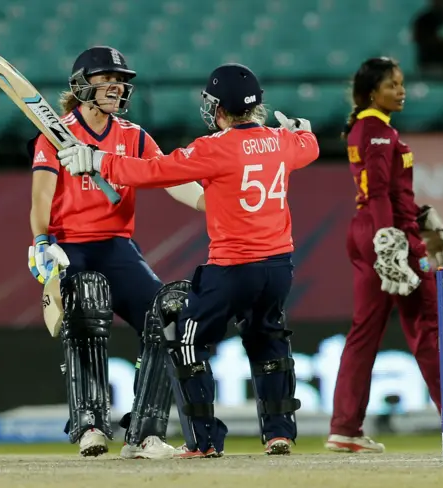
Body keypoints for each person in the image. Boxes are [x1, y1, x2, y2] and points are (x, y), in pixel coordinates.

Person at [57, 63, 320, 457]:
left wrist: (98, 162)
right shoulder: (283, 142)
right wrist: (303, 129)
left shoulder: (213, 147)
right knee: (269, 342)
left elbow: (156, 171)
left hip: (231, 268)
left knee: (185, 343)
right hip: (279, 267)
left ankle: (203, 441)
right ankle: (279, 433)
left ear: (219, 107)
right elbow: (310, 148)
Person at [27, 45, 206, 458]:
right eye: (107, 79)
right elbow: (41, 199)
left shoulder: (134, 136)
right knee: (86, 304)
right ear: (82, 85)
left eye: (121, 81)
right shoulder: (53, 135)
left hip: (117, 245)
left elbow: (169, 179)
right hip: (71, 246)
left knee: (170, 316)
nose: (117, 87)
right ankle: (89, 425)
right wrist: (41, 243)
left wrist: (212, 205)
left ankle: (146, 434)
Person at [324, 57, 443, 453]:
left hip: (374, 231)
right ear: (373, 92)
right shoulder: (374, 130)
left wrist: (415, 217)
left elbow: (383, 193)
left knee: (364, 331)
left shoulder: (370, 128)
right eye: (393, 84)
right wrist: (391, 236)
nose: (401, 90)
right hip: (388, 236)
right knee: (427, 325)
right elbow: (376, 193)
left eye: (402, 83)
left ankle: (345, 427)